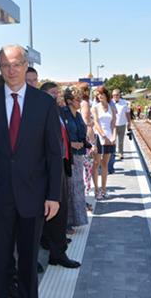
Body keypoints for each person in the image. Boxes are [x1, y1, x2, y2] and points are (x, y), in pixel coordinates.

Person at [0, 44, 62, 298]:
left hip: (34, 198)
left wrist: (53, 195)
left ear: (25, 66)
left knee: (28, 264)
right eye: (5, 65)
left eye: (16, 64)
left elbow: (54, 154)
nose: (11, 70)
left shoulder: (44, 103)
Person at [40, 82, 80, 269]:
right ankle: (55, 249)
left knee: (60, 210)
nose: (55, 95)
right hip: (46, 169)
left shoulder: (57, 111)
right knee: (53, 210)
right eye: (51, 93)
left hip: (61, 165)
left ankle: (57, 249)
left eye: (56, 93)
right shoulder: (42, 112)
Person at [62, 86, 89, 233]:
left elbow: (82, 133)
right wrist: (71, 143)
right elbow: (59, 135)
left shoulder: (77, 115)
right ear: (69, 101)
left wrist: (83, 142)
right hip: (68, 154)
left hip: (78, 154)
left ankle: (76, 220)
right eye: (78, 99)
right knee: (69, 188)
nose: (80, 102)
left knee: (78, 187)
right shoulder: (62, 114)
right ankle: (67, 222)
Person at [91, 86, 116, 200]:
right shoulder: (95, 108)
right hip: (98, 136)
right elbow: (96, 123)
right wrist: (103, 135)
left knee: (105, 164)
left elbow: (113, 124)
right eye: (97, 94)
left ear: (106, 95)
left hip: (109, 138)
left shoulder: (111, 107)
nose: (99, 96)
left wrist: (113, 136)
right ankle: (96, 190)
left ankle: (104, 189)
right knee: (96, 163)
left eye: (101, 94)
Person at [111, 89, 131, 161]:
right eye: (114, 95)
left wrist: (129, 123)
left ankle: (120, 153)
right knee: (113, 140)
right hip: (113, 125)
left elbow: (127, 113)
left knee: (121, 140)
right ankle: (112, 153)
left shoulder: (124, 103)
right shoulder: (110, 102)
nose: (115, 96)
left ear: (119, 95)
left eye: (117, 95)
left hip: (122, 124)